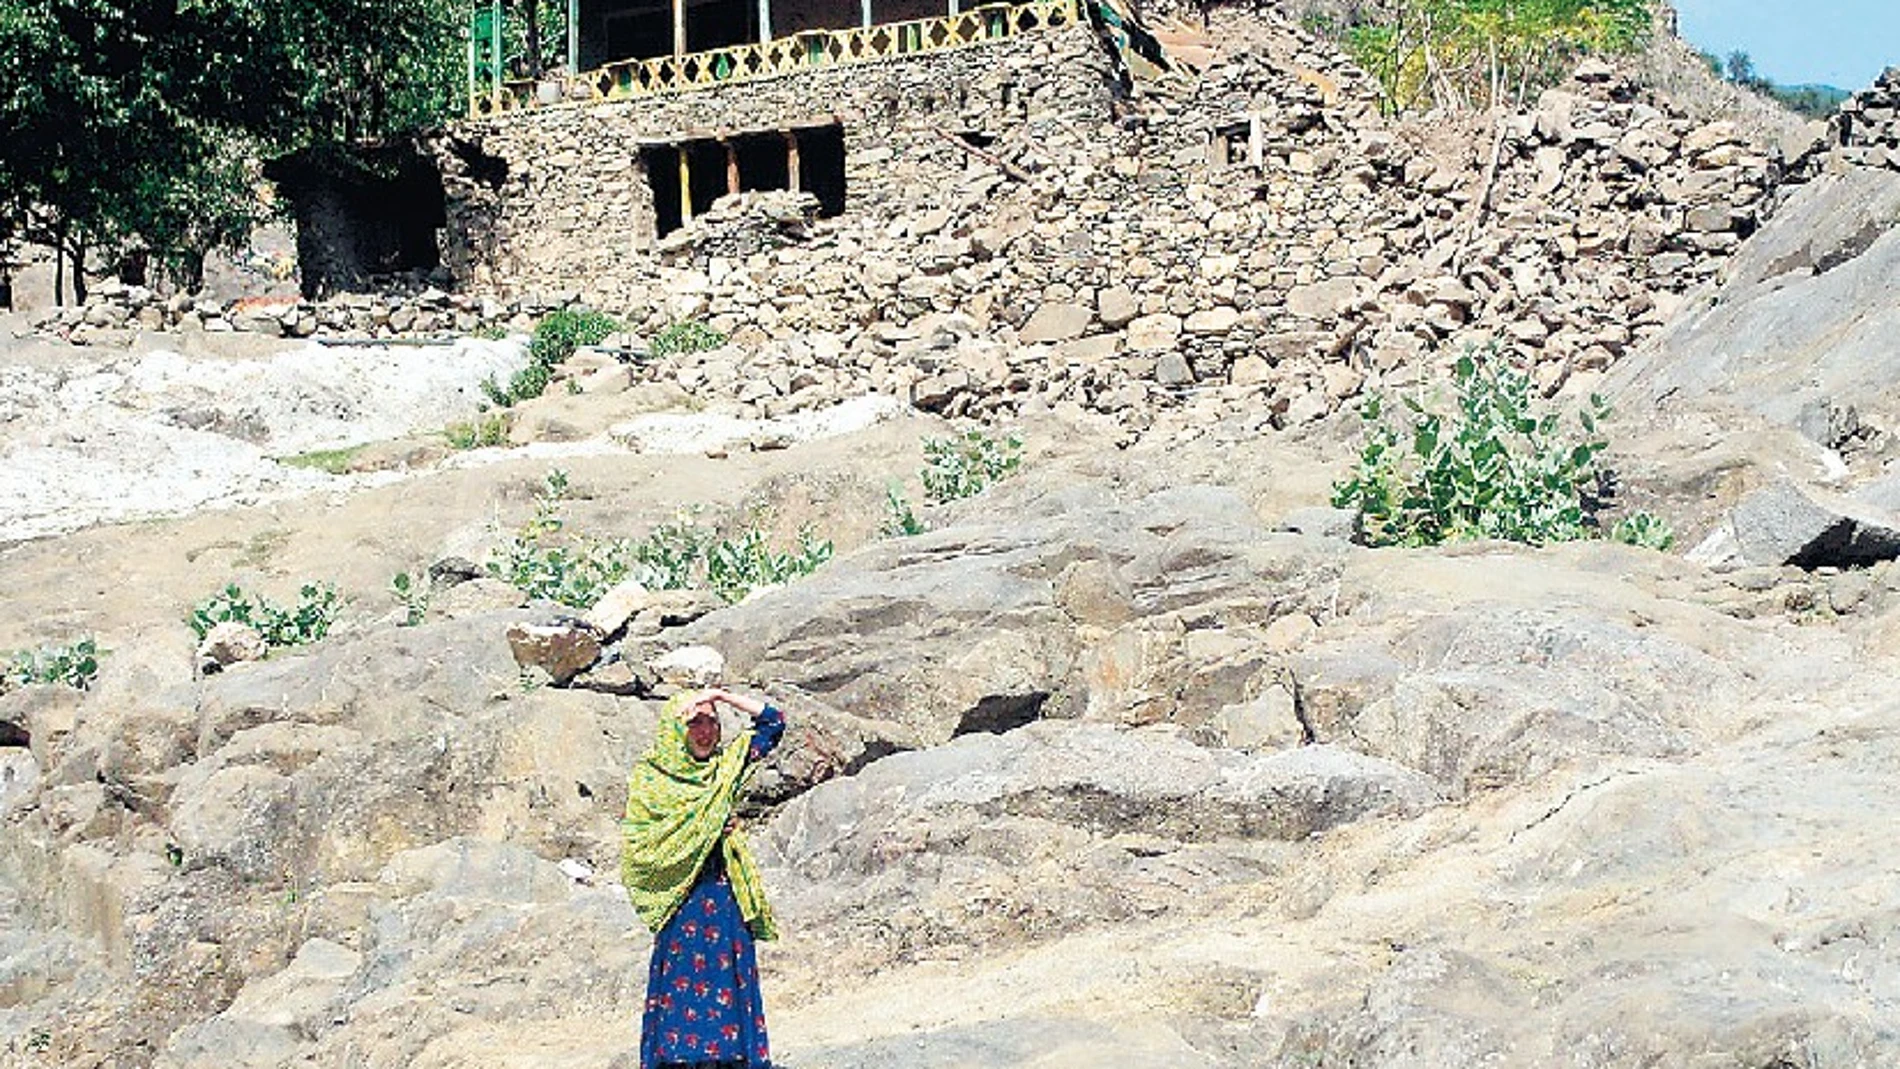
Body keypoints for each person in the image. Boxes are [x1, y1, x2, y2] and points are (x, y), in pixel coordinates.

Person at [621, 686, 785, 1069]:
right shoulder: (652, 779)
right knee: (681, 992)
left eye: (712, 722)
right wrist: (705, 829)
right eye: (694, 721)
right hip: (681, 902)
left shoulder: (725, 769)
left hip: (723, 896)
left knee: (728, 983)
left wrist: (722, 696)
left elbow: (774, 723)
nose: (705, 730)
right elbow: (638, 847)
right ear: (674, 729)